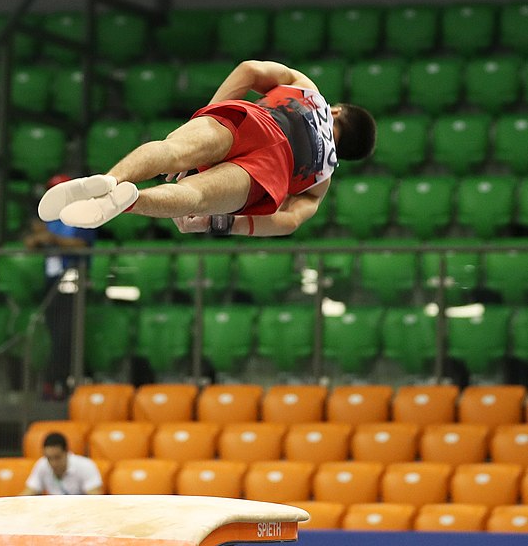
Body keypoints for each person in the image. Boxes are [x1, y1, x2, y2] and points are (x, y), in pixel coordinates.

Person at [38, 59, 376, 237]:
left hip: (256, 120)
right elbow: (288, 222)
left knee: (172, 151)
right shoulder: (321, 179)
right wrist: (222, 224)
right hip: (276, 169)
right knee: (194, 197)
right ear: (344, 154)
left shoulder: (309, 90)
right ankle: (129, 202)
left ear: (337, 110)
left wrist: (205, 117)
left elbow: (249, 70)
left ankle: (110, 180)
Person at [24, 174, 96, 400]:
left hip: (73, 277)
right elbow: (32, 242)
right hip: (52, 280)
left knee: (67, 332)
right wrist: (38, 240)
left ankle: (61, 381)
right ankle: (57, 380)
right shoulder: (48, 218)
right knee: (55, 332)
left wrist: (53, 239)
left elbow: (82, 243)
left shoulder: (83, 213)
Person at [20, 432, 103, 496]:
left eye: (57, 457)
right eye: (49, 458)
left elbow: (95, 499)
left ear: (67, 452)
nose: (53, 463)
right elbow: (28, 493)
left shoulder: (86, 466)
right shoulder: (42, 465)